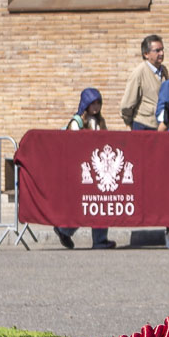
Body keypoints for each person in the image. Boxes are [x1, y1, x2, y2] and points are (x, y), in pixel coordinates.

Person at [52, 89, 116, 250]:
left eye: (98, 103)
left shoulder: (100, 121)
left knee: (100, 203)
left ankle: (99, 240)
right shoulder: (77, 122)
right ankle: (64, 229)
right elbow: (73, 146)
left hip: (98, 168)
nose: (96, 106)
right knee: (84, 205)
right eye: (92, 103)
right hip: (82, 169)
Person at [119, 34, 167, 130]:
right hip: (144, 126)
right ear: (146, 54)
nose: (161, 53)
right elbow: (127, 104)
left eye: (162, 49)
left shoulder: (164, 70)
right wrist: (128, 124)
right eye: (157, 50)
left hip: (161, 126)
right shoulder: (139, 73)